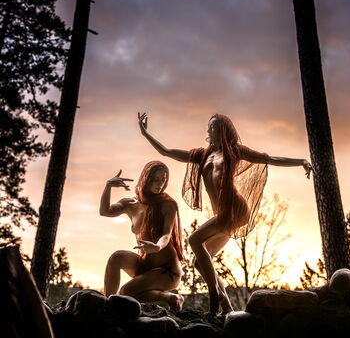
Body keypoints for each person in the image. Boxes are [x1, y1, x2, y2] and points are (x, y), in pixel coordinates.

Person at [138, 112, 313, 315]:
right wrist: (145, 133)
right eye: (209, 127)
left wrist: (301, 161)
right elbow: (166, 152)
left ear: (223, 129)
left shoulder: (235, 151)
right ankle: (227, 308)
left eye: (213, 126)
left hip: (235, 210)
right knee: (200, 263)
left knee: (194, 240)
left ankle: (214, 298)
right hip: (224, 216)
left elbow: (270, 158)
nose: (209, 130)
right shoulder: (201, 155)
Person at [100, 161, 184, 311]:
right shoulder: (130, 203)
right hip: (146, 264)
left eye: (163, 180)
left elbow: (166, 234)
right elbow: (105, 211)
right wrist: (108, 186)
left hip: (167, 270)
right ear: (146, 178)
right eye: (156, 179)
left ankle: (167, 297)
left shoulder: (167, 204)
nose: (160, 184)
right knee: (116, 258)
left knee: (125, 292)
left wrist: (157, 246)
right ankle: (107, 306)